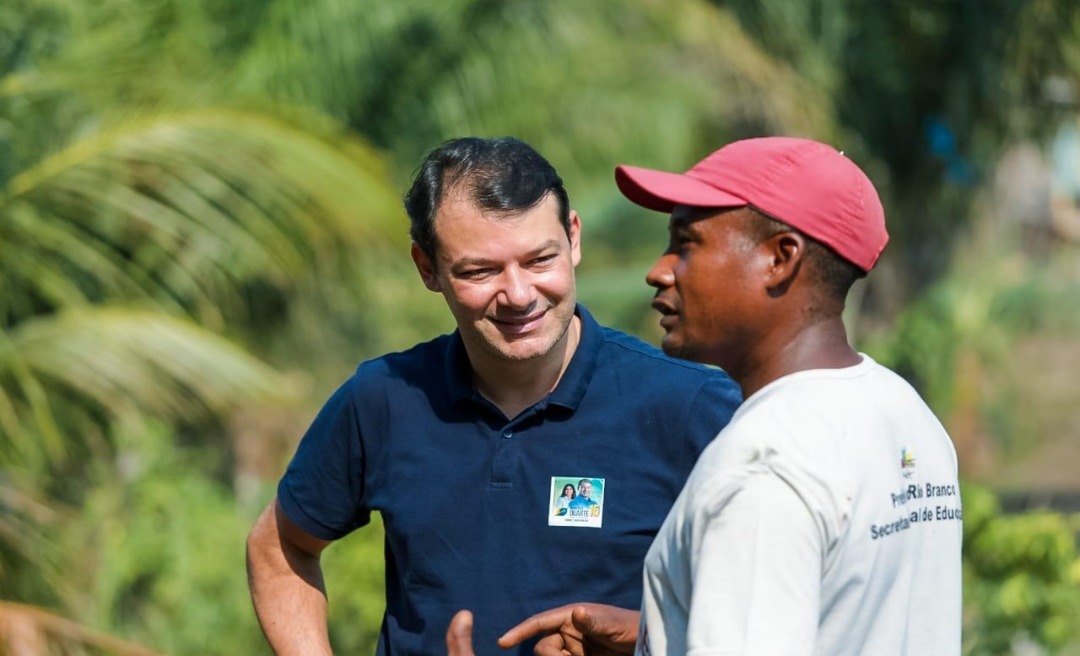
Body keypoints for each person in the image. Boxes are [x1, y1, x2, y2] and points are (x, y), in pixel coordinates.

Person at [245, 136, 743, 656]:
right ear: (427, 268)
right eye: (480, 271)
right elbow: (280, 548)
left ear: (573, 238)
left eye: (539, 260)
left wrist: (644, 640)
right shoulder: (384, 399)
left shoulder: (692, 406)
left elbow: (770, 606)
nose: (520, 295)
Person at [488, 136, 963, 655]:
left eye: (686, 244)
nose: (659, 270)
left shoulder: (761, 466)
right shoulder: (903, 413)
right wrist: (654, 634)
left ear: (780, 258)